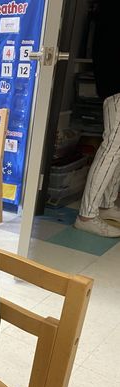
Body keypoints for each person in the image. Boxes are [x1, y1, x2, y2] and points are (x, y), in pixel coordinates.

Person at [75, 0, 120, 237]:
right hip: (116, 83)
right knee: (113, 145)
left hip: (112, 80)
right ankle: (87, 215)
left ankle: (105, 205)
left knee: (117, 147)